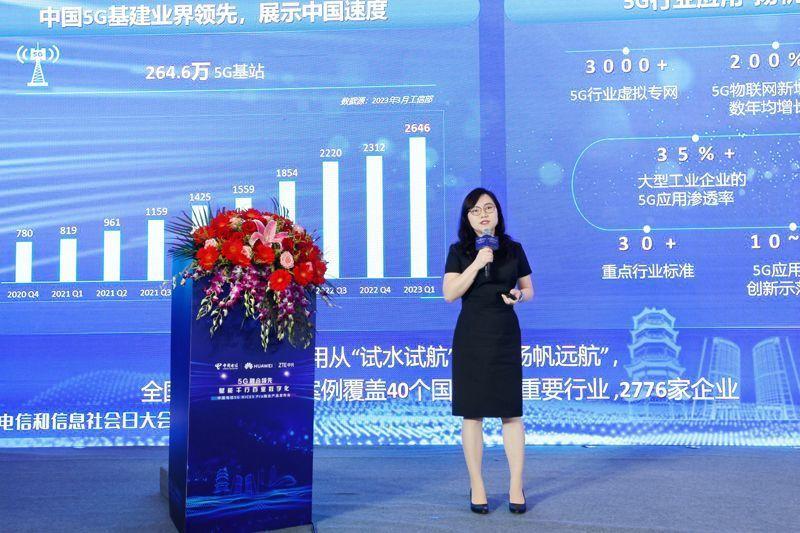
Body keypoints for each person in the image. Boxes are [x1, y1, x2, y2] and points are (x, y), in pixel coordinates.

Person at [442, 187, 534, 515]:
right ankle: (477, 484)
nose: (483, 214)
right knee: (473, 413)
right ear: (467, 218)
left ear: (497, 213)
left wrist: (518, 296)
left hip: (504, 334)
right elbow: (449, 293)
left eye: (489, 208)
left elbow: (528, 289)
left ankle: (515, 485)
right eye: (476, 210)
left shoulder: (513, 249)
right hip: (472, 335)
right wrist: (477, 262)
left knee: (511, 412)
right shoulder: (459, 251)